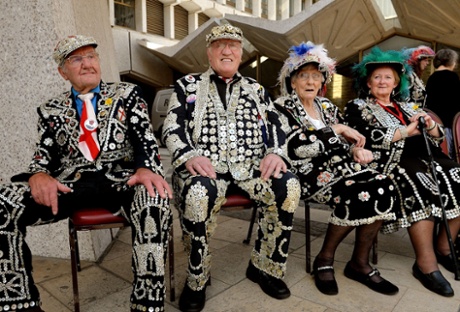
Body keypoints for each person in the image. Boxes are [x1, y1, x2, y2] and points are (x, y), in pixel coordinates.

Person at [0, 35, 173, 312]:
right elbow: (41, 158)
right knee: (4, 201)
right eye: (76, 59)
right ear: (63, 71)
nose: (87, 64)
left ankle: (146, 303)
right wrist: (38, 175)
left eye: (91, 56)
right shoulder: (49, 110)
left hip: (122, 181)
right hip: (71, 185)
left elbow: (145, 139)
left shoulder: (127, 94)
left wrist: (146, 168)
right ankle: (19, 302)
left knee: (154, 200)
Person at [162, 24, 301, 312]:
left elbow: (276, 125)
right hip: (205, 169)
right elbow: (171, 127)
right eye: (219, 45)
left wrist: (276, 153)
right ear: (209, 52)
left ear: (241, 53)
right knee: (198, 195)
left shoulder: (256, 88)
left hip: (251, 168)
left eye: (233, 46)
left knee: (288, 185)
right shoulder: (186, 85)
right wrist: (188, 155)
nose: (227, 50)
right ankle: (197, 279)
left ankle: (265, 267)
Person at [274, 42, 399, 296]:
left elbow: (344, 141)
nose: (311, 81)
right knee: (356, 192)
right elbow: (296, 148)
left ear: (323, 81)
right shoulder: (281, 108)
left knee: (384, 183)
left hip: (342, 167)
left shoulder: (328, 107)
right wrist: (337, 130)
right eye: (303, 76)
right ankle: (325, 259)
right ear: (292, 81)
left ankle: (360, 263)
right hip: (305, 173)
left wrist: (355, 150)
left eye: (316, 76)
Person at [345, 46, 460, 297]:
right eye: (377, 77)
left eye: (388, 77)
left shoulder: (409, 107)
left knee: (457, 175)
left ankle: (443, 248)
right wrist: (405, 132)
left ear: (397, 82)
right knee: (419, 182)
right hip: (390, 162)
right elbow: (367, 138)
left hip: (425, 157)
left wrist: (431, 126)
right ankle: (425, 264)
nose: (383, 81)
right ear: (368, 82)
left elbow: (438, 137)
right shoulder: (358, 106)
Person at [425, 48, 460, 159]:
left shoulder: (431, 78)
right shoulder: (453, 77)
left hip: (434, 124)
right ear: (451, 61)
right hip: (450, 123)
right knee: (451, 156)